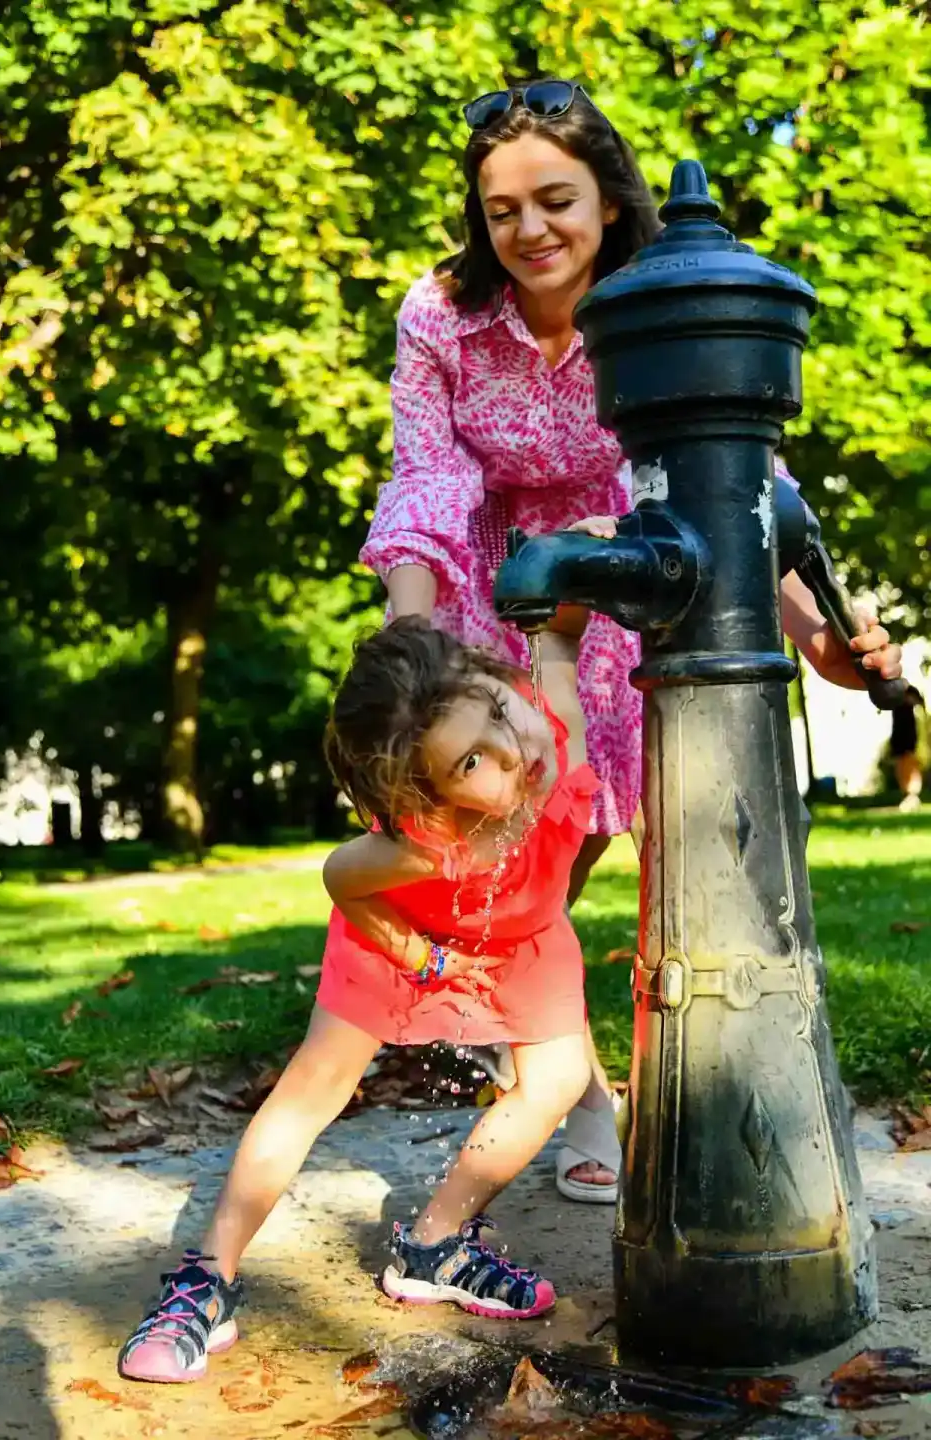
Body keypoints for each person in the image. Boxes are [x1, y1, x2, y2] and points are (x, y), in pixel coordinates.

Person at [359, 78, 905, 1203]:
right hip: (504, 589)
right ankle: (578, 1090)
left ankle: (679, 1083)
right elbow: (429, 481)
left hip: (645, 577)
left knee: (654, 846)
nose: (529, 231)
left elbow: (739, 490)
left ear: (609, 197)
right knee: (519, 862)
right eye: (501, 209)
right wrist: (412, 658)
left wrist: (822, 638)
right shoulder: (444, 314)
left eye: (554, 200)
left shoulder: (660, 302)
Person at [117, 560, 614, 1385]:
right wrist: (418, 955)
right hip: (404, 937)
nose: (511, 750)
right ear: (424, 796)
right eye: (470, 765)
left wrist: (581, 557)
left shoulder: (550, 739)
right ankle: (206, 1280)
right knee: (314, 1087)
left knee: (558, 1078)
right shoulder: (417, 844)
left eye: (499, 711)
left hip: (523, 937)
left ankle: (434, 1245)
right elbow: (341, 881)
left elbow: (559, 639)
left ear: (499, 679)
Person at [890, 685, 924, 812]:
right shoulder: (893, 696)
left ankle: (912, 796)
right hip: (898, 736)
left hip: (908, 738)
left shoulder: (909, 692)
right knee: (901, 767)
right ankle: (908, 795)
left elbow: (919, 701)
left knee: (910, 766)